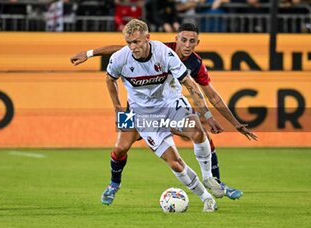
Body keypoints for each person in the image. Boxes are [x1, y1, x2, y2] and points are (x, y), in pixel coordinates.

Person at [70, 23, 258, 200]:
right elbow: (121, 50)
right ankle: (114, 184)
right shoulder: (160, 49)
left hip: (168, 105)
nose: (187, 45)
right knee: (120, 148)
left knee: (200, 134)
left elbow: (213, 96)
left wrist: (234, 123)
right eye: (183, 40)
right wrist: (89, 53)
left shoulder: (195, 64)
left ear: (197, 43)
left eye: (192, 41)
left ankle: (216, 183)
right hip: (136, 109)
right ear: (176, 39)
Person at [96, 19, 225, 212]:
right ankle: (206, 198)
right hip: (142, 113)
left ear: (147, 38)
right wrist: (117, 108)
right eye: (129, 43)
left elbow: (190, 84)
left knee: (198, 132)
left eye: (137, 42)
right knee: (173, 162)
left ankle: (207, 177)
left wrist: (207, 114)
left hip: (169, 104)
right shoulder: (120, 58)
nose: (133, 47)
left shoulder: (164, 53)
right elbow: (109, 79)